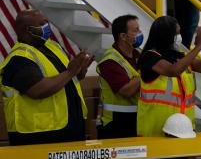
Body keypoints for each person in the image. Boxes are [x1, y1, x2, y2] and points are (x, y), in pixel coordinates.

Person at [0, 10, 93, 145]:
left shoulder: (53, 46)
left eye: (47, 22)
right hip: (41, 137)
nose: (47, 27)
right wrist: (70, 72)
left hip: (70, 131)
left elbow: (65, 79)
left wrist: (80, 70)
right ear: (27, 29)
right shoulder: (19, 58)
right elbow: (37, 90)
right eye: (42, 24)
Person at [137, 15, 201, 137]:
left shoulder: (180, 56)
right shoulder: (149, 57)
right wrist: (198, 47)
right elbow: (173, 71)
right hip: (155, 131)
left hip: (183, 130)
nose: (179, 37)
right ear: (165, 36)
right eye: (176, 33)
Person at [97, 14, 142, 139]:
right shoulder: (110, 60)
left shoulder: (138, 54)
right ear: (123, 36)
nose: (140, 32)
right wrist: (145, 73)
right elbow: (126, 90)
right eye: (136, 30)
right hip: (116, 123)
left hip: (137, 118)